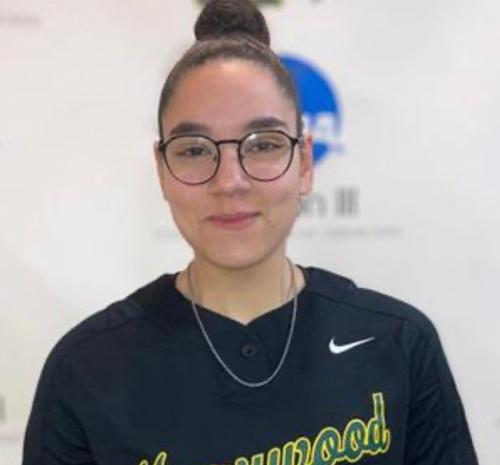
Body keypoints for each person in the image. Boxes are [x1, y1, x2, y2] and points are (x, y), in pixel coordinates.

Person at [22, 1, 478, 464]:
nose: (230, 181)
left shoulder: (399, 346)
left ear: (303, 163)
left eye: (262, 145)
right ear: (162, 170)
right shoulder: (85, 370)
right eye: (195, 150)